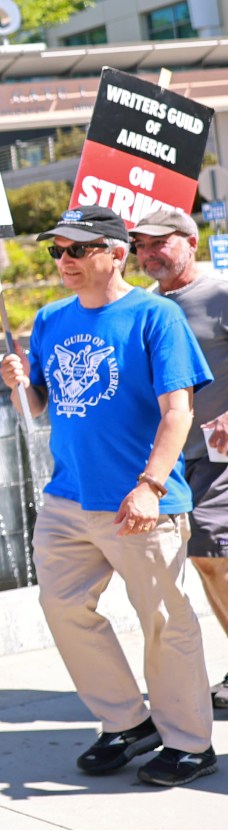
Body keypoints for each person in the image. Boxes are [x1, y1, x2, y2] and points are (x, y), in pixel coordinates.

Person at [0, 203, 217, 787]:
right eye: (57, 250)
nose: (63, 261)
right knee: (63, 608)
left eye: (77, 249)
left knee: (165, 620)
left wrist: (149, 487)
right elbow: (42, 406)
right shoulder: (49, 319)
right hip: (68, 497)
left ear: (115, 253)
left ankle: (191, 744)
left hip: (141, 502)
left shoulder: (156, 317)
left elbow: (180, 412)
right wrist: (20, 384)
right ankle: (126, 721)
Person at [131, 205, 228, 712]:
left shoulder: (218, 294)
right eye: (140, 247)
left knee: (211, 555)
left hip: (221, 456)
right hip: (173, 460)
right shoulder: (147, 307)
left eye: (158, 243)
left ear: (190, 241)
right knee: (208, 562)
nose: (147, 255)